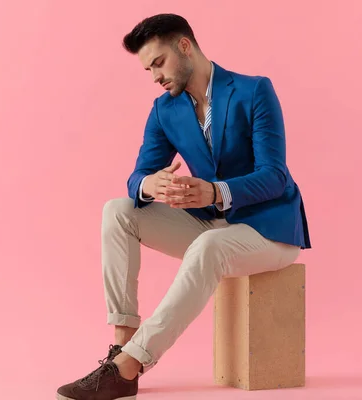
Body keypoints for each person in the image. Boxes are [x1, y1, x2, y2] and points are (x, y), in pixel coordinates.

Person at [56, 13, 311, 400]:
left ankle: (131, 365)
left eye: (158, 63)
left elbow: (275, 176)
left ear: (185, 46)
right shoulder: (165, 109)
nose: (155, 77)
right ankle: (119, 346)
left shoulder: (255, 91)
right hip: (212, 225)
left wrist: (214, 192)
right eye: (147, 69)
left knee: (210, 247)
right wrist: (149, 183)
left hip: (269, 230)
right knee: (118, 211)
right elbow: (137, 175)